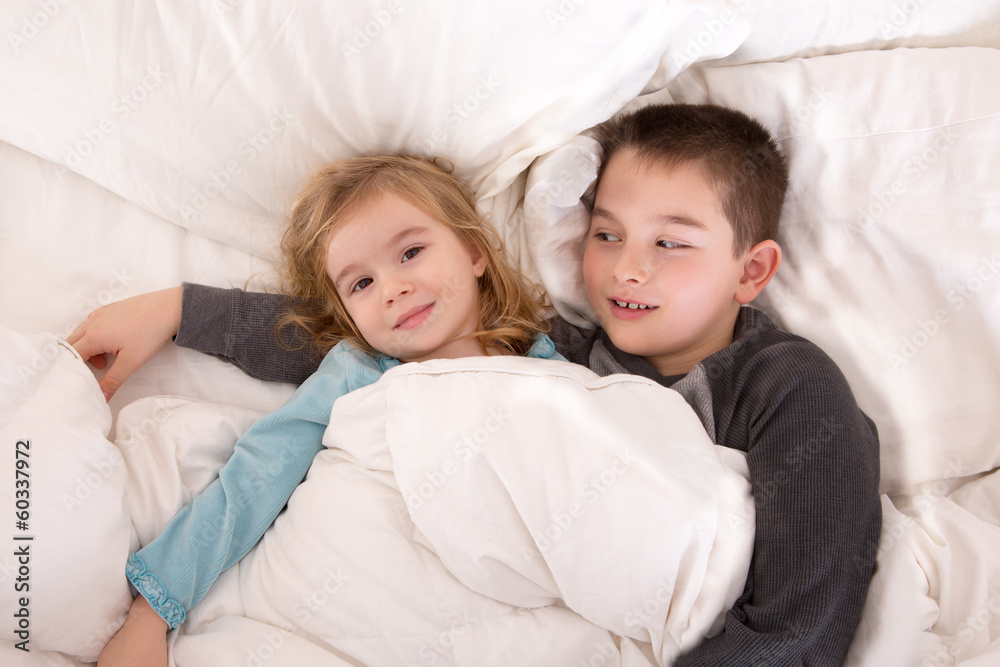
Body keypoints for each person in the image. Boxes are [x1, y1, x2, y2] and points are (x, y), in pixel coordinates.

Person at [72, 104, 882, 665]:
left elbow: (806, 614)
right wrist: (176, 309)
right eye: (606, 233)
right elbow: (360, 336)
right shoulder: (555, 351)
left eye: (671, 242)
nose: (629, 265)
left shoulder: (790, 387)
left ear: (754, 270)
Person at [84, 154, 564, 666]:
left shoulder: (552, 367)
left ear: (474, 251)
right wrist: (152, 613)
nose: (392, 290)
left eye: (412, 252)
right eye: (361, 284)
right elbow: (259, 474)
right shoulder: (358, 372)